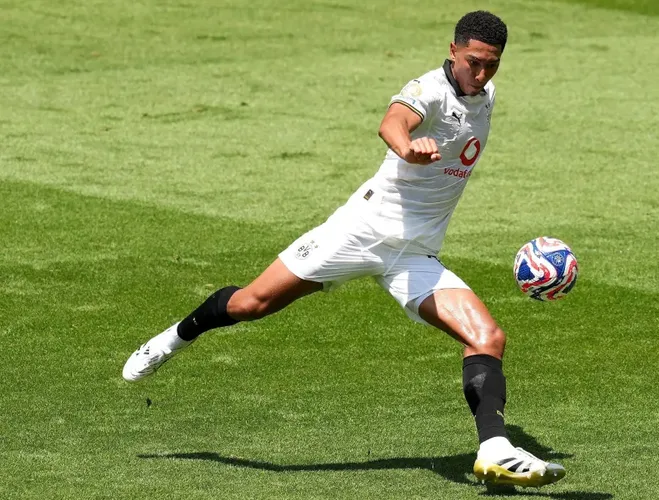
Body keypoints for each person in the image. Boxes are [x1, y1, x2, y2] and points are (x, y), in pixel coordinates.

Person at [122, 10, 567, 487]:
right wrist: (407, 147)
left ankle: (494, 451)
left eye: (492, 65)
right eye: (473, 62)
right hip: (361, 232)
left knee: (487, 338)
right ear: (454, 50)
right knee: (253, 303)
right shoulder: (429, 89)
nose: (480, 74)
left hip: (416, 254)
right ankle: (177, 336)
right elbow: (393, 122)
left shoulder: (486, 93)